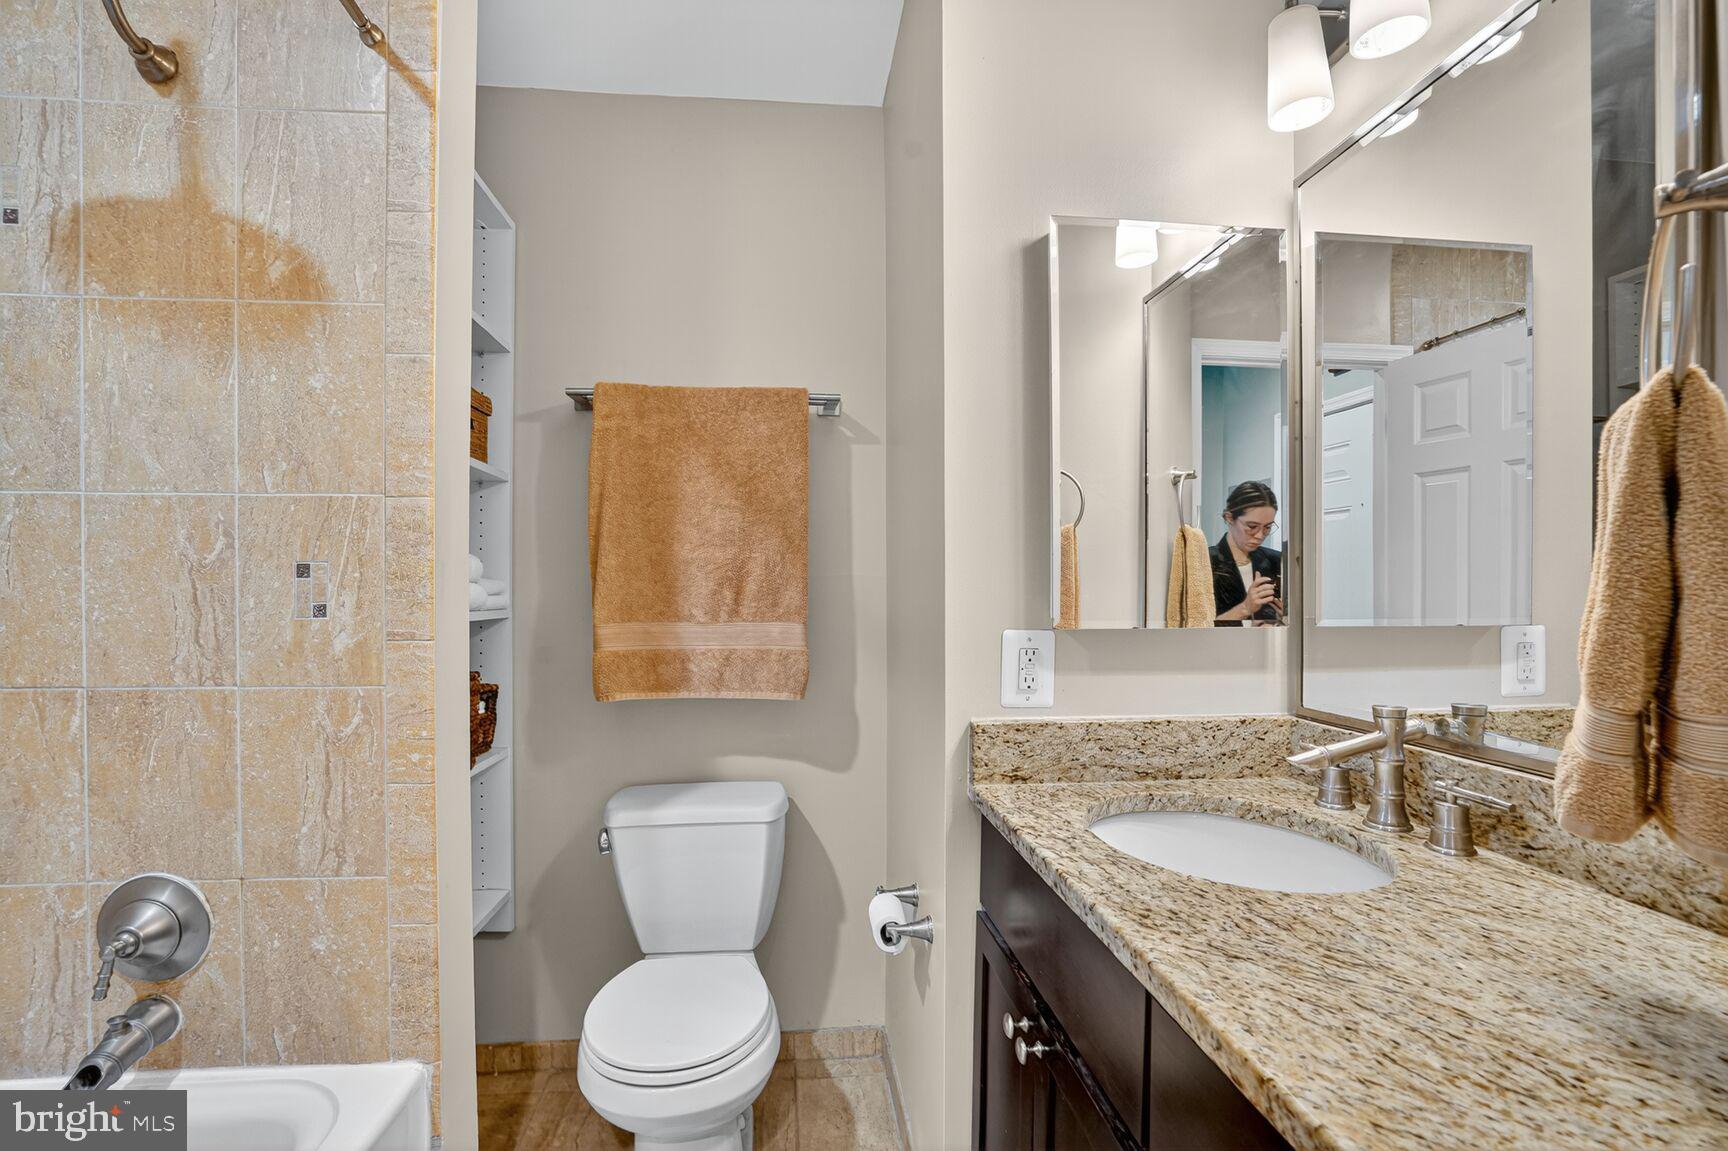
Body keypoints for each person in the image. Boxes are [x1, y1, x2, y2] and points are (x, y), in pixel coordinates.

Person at [1211, 480, 1283, 626]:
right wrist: (1245, 608)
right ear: (1229, 518)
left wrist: (1287, 617)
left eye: (1267, 527)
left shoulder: (1277, 560)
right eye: (1252, 526)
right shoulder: (1205, 562)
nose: (1260, 536)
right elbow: (1196, 629)